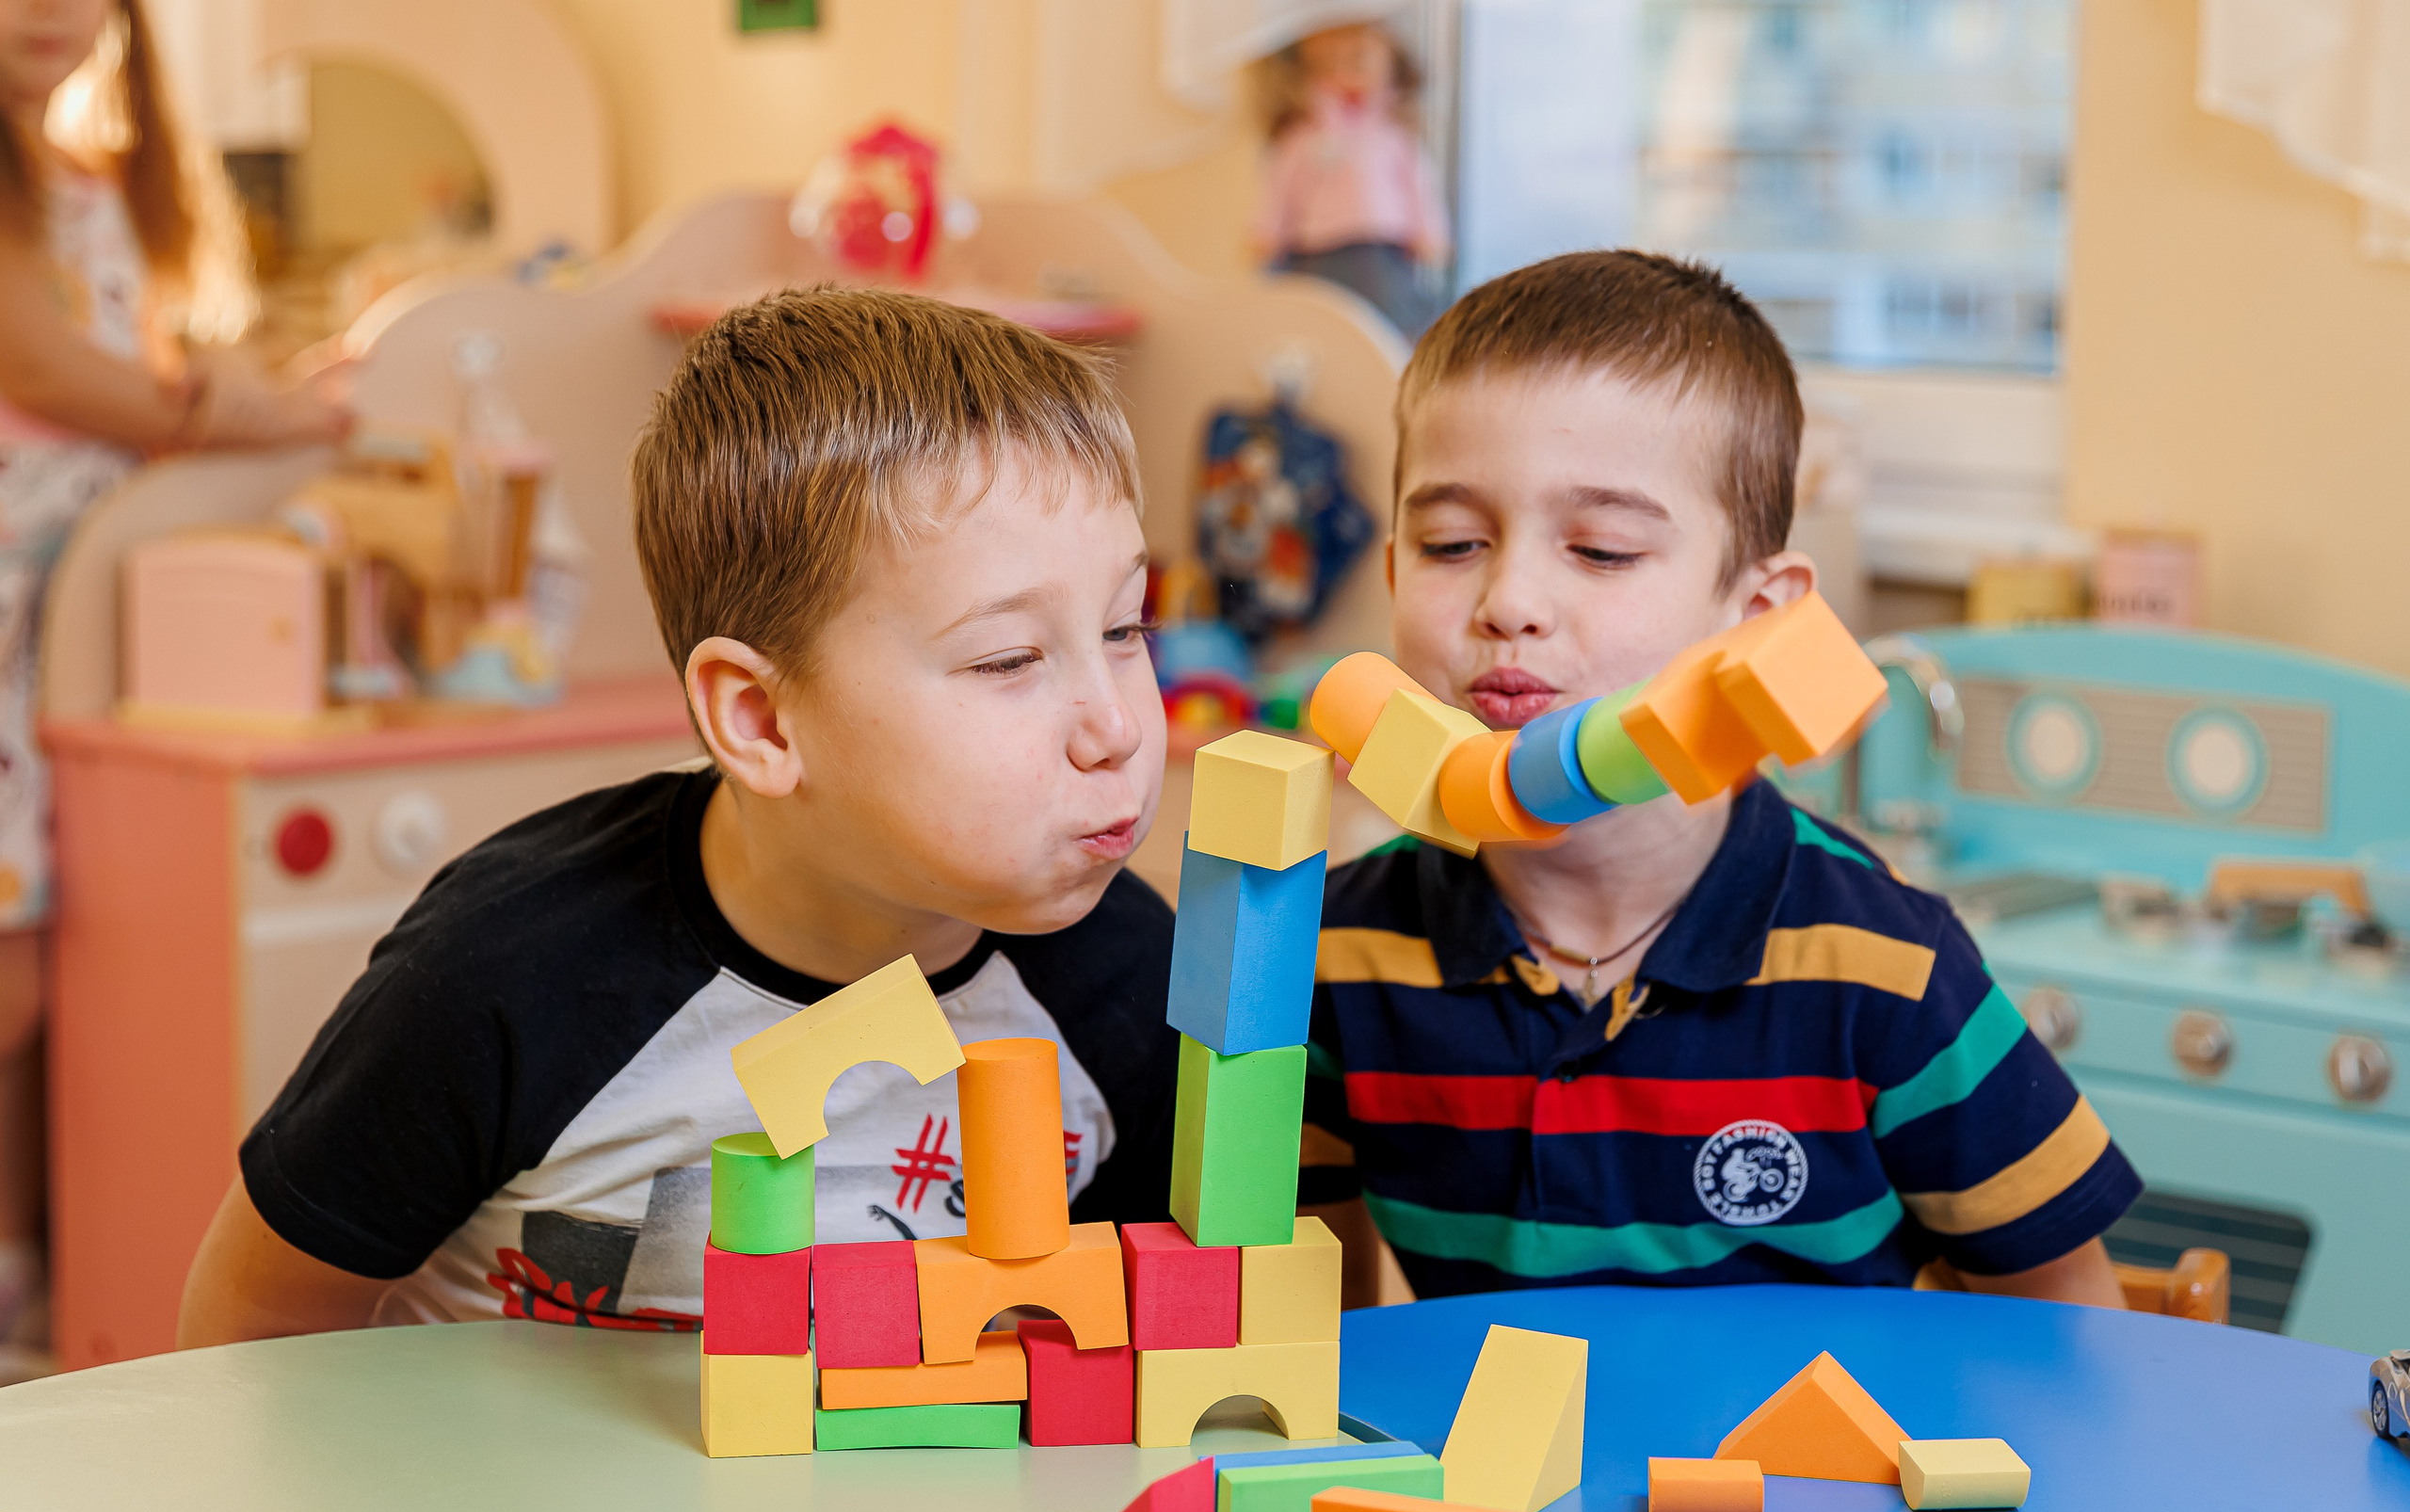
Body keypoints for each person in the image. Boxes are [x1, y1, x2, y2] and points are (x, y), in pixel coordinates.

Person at [176, 288, 1176, 1342]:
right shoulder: (504, 973)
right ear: (761, 721)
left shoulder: (1131, 978)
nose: (1115, 727)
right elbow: (255, 1319)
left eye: (1123, 627)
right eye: (1008, 658)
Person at [1301, 251, 2140, 1308]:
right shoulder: (1332, 959)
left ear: (1759, 618)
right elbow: (1316, 1336)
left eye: (1601, 551)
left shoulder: (1886, 966)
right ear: (1391, 573)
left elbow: (2069, 1332)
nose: (1508, 599)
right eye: (1451, 541)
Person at [0, 0, 345, 1357]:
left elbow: (120, 366)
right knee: (20, 976)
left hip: (65, 609)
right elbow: (45, 368)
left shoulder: (87, 186)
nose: (56, 12)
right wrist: (228, 414)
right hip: (25, 592)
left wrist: (215, 396)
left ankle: (27, 1265)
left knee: (56, 964)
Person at [1251, 21, 1450, 342]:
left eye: (1357, 59)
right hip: (1315, 253)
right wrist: (1267, 234)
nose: (1343, 72)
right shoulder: (1302, 140)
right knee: (1318, 328)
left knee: (1386, 331)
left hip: (1383, 254)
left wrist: (1431, 236)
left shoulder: (1394, 139)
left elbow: (1420, 190)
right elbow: (1281, 190)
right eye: (1328, 64)